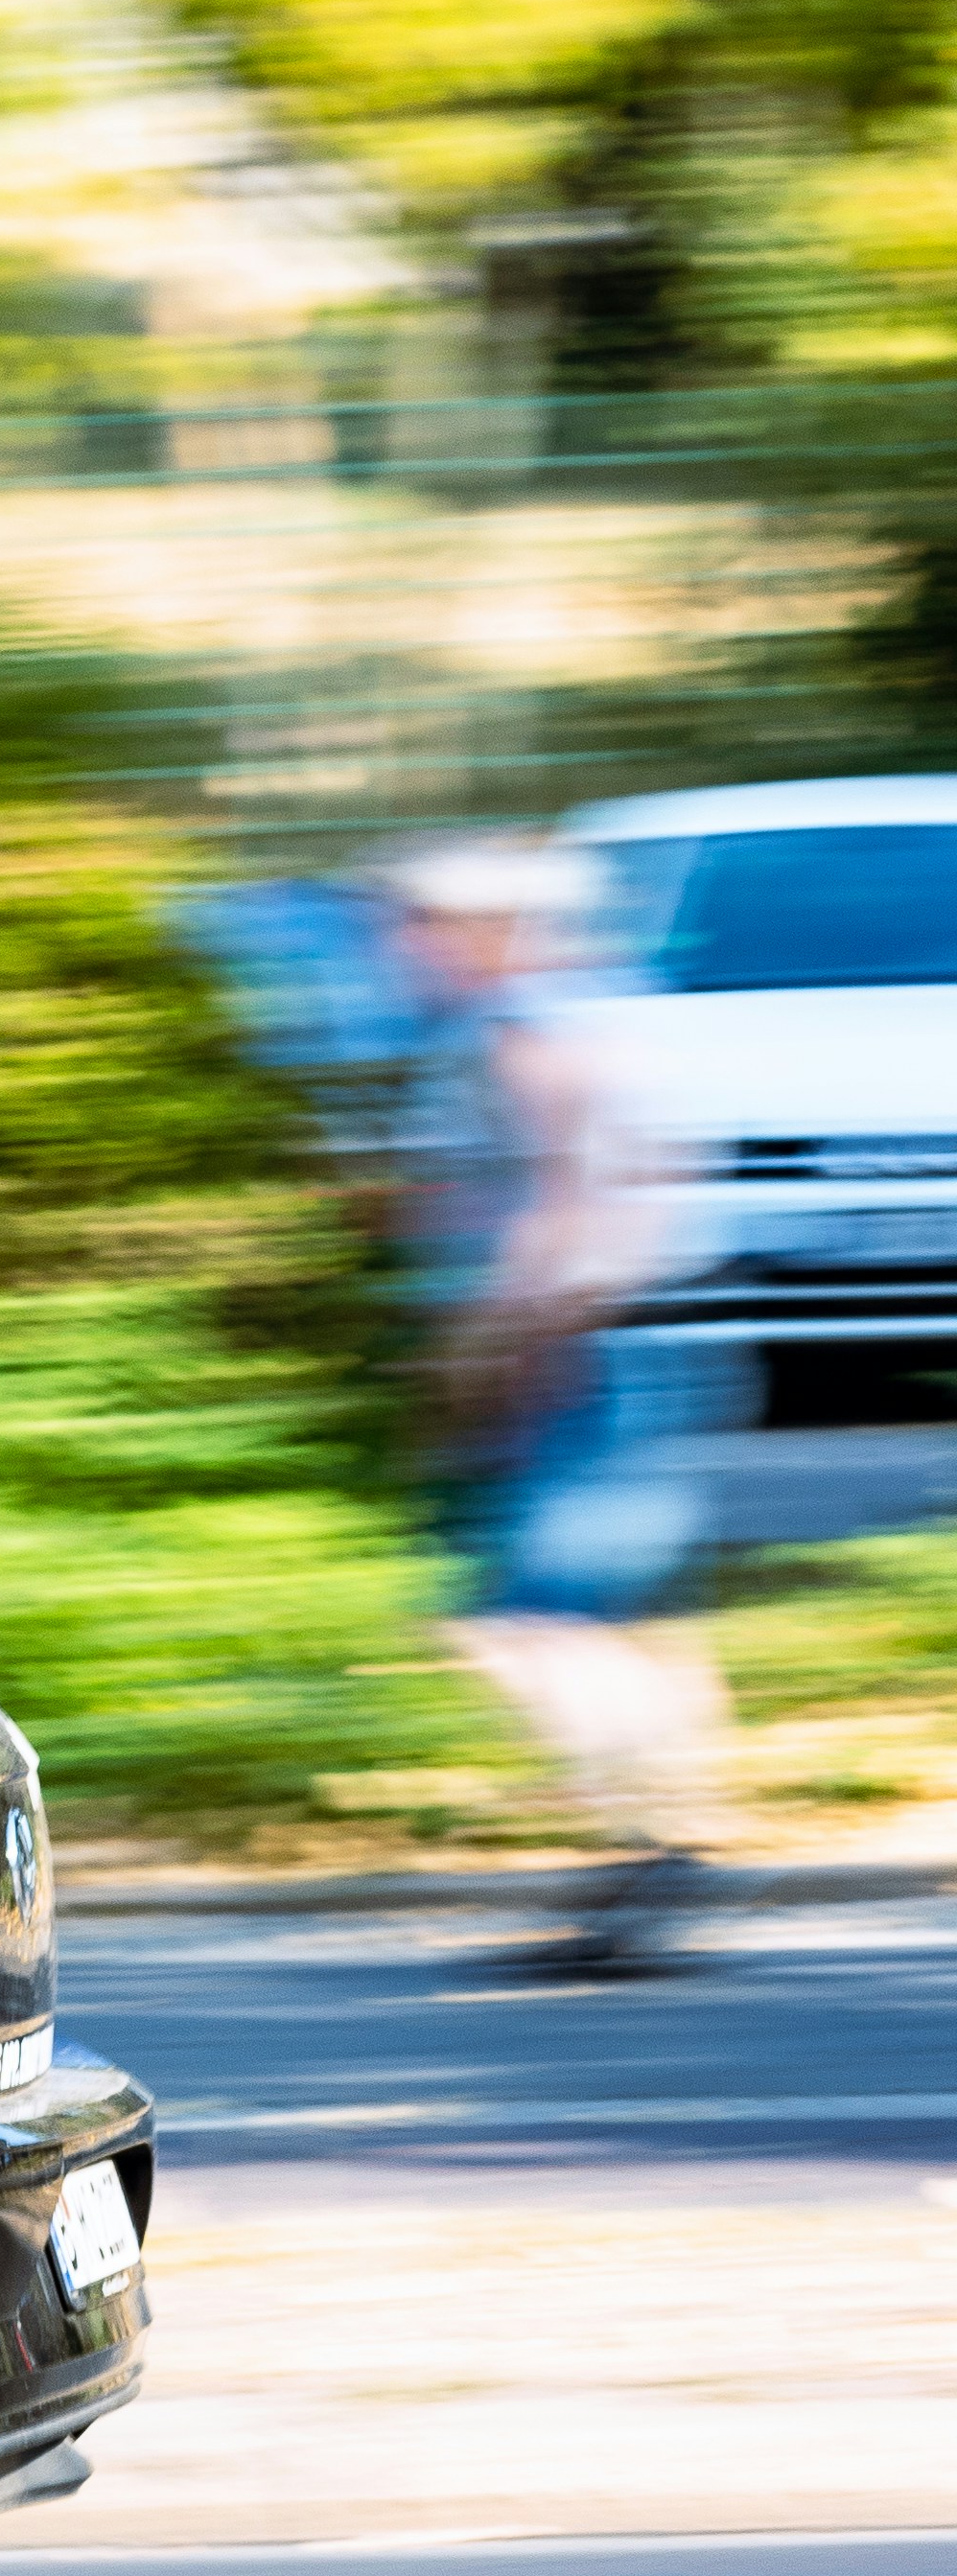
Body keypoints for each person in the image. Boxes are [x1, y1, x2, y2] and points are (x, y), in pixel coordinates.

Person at [385, 836, 730, 1980]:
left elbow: (557, 1202)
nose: (405, 947)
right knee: (630, 1616)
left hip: (569, 1353)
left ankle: (649, 1847)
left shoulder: (520, 1030)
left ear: (490, 927)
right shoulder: (612, 1010)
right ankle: (671, 1837)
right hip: (643, 1339)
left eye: (421, 924)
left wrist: (488, 1348)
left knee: (520, 1623)